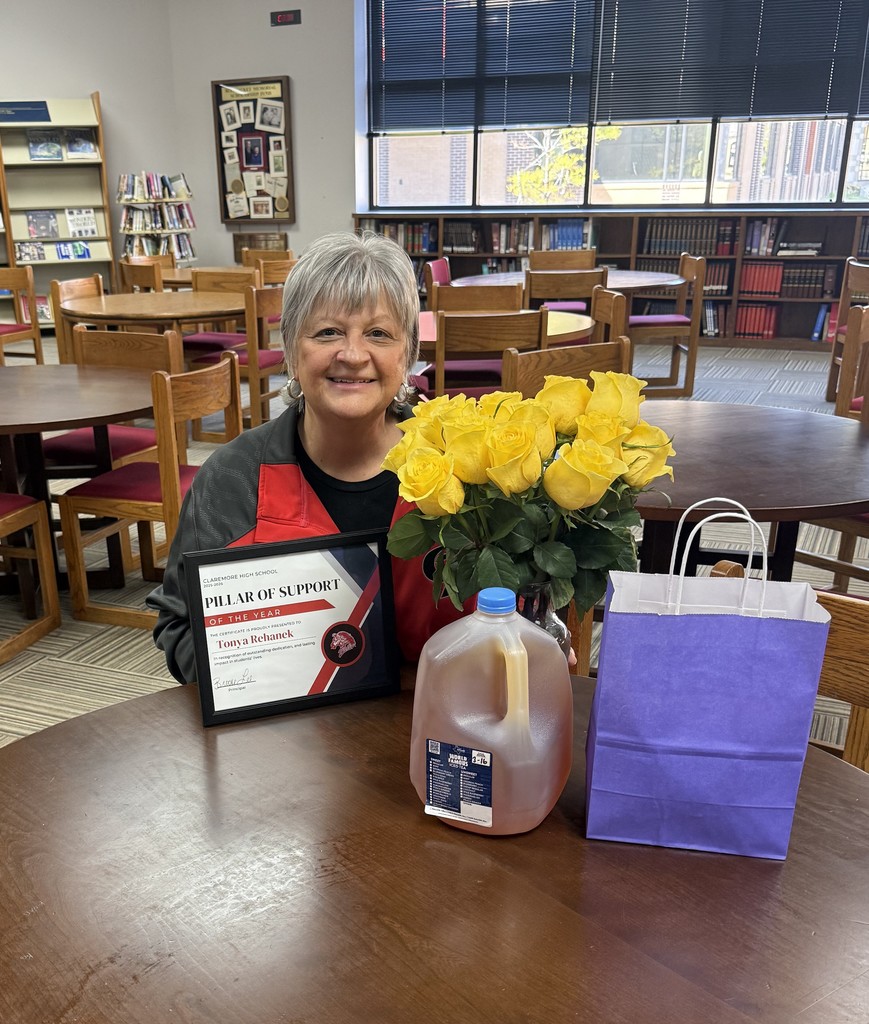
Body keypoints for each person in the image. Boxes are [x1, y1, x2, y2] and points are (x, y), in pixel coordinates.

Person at [147, 231, 463, 684]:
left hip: (433, 732)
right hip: (284, 738)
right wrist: (254, 678)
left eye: (379, 333)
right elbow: (178, 625)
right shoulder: (231, 479)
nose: (353, 355)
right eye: (328, 332)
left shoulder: (464, 468)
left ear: (408, 354)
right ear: (292, 348)